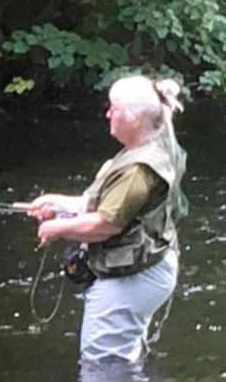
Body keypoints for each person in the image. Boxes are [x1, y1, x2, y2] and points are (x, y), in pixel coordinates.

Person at [22, 74, 188, 363]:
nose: (108, 114)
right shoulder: (144, 149)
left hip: (135, 276)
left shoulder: (139, 170)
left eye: (115, 108)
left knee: (103, 363)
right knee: (121, 357)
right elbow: (108, 205)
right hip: (148, 266)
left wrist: (57, 227)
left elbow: (106, 224)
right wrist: (59, 203)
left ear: (135, 119)